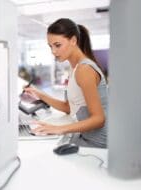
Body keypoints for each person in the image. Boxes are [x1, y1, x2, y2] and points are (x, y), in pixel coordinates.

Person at [24, 18, 108, 148]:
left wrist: (59, 129)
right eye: (50, 46)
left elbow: (99, 119)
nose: (53, 51)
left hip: (97, 143)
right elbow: (69, 107)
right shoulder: (75, 68)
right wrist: (40, 94)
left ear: (73, 40)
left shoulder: (84, 69)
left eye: (57, 45)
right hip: (86, 137)